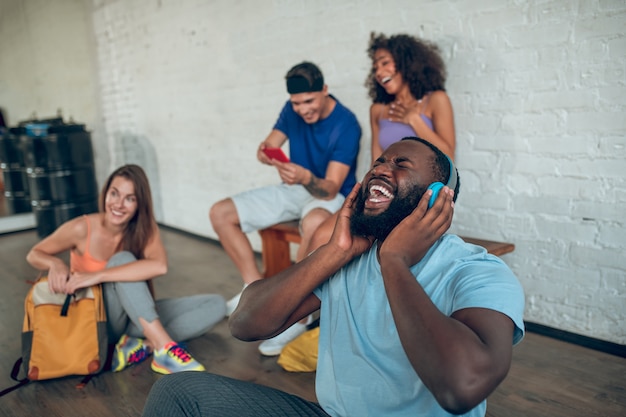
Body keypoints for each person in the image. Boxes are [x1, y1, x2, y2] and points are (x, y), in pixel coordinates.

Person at [142, 137, 525, 417]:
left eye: (401, 165)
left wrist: (394, 261)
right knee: (179, 392)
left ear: (438, 198)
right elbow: (246, 323)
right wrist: (334, 251)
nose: (380, 168)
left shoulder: (478, 272)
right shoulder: (350, 259)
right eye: (379, 161)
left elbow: (462, 387)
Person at [209, 61, 361, 356]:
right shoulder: (290, 110)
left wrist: (304, 176)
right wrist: (268, 154)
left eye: (309, 101)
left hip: (328, 193)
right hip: (293, 189)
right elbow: (268, 145)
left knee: (316, 223)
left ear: (325, 90)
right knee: (220, 213)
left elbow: (330, 186)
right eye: (297, 103)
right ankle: (254, 289)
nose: (303, 109)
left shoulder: (347, 123)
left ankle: (297, 315)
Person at [26, 164, 226, 374]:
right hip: (96, 321)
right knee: (122, 260)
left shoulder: (145, 230)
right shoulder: (82, 228)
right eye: (114, 194)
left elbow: (159, 266)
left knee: (216, 305)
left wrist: (98, 275)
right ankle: (165, 348)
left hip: (132, 316)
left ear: (139, 204)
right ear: (106, 193)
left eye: (129, 198)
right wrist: (56, 263)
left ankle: (145, 344)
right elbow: (34, 253)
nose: (118, 204)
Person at [306, 32, 455, 255]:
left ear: (407, 63)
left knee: (381, 250)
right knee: (321, 235)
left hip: (415, 195)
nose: (378, 72)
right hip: (381, 193)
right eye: (375, 67)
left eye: (385, 63)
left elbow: (448, 155)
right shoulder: (378, 109)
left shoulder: (436, 100)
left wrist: (413, 118)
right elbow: (376, 163)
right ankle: (299, 288)